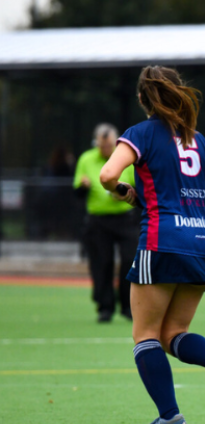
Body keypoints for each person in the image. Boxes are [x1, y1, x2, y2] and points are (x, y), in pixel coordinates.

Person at [99, 65, 205, 424]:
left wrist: (125, 192)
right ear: (177, 93)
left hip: (160, 240)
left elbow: (107, 176)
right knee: (173, 332)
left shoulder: (140, 134)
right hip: (201, 243)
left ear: (142, 98)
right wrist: (197, 240)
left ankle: (170, 417)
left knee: (145, 335)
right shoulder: (201, 142)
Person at [73, 124, 138, 323]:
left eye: (109, 145)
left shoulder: (126, 157)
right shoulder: (86, 158)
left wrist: (126, 193)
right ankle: (105, 307)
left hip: (126, 219)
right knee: (102, 263)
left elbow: (138, 186)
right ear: (97, 144)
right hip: (98, 221)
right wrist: (83, 186)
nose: (106, 149)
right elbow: (77, 191)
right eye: (102, 146)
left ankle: (128, 306)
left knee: (130, 260)